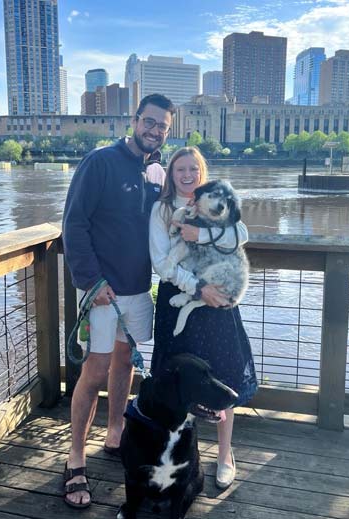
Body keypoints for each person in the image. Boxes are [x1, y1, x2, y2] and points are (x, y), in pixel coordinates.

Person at [61, 93, 175, 508]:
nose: (154, 130)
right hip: (101, 293)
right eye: (149, 122)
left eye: (162, 126)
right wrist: (91, 282)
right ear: (134, 120)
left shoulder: (156, 172)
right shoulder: (100, 162)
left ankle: (114, 435)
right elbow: (73, 224)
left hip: (138, 290)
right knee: (95, 370)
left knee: (126, 363)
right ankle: (75, 459)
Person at [149, 146, 258, 489]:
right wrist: (198, 289)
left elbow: (241, 234)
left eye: (192, 169)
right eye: (179, 169)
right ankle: (180, 455)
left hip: (219, 299)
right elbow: (161, 261)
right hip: (180, 298)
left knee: (224, 372)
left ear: (201, 173)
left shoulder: (218, 199)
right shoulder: (162, 209)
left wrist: (203, 234)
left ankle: (225, 454)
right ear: (171, 173)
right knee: (176, 379)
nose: (186, 175)